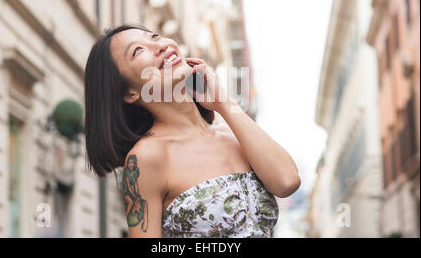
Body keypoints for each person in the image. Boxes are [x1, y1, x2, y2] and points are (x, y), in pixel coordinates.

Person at [84, 23, 301, 237]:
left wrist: (224, 103)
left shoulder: (233, 133)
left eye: (154, 37)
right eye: (138, 50)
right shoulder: (147, 158)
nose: (160, 46)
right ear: (129, 93)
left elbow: (286, 182)